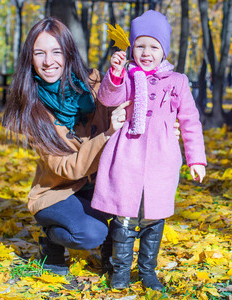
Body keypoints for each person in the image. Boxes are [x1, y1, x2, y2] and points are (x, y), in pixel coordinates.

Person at [1, 17, 180, 276]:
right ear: (30, 58)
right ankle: (52, 239)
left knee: (130, 208)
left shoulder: (96, 84)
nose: (48, 61)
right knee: (91, 233)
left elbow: (137, 108)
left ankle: (109, 245)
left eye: (56, 52)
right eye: (39, 53)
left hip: (99, 183)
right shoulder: (32, 110)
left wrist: (164, 128)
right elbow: (66, 167)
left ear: (68, 53)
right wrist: (106, 135)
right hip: (58, 191)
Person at [91, 10, 207, 291]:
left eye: (154, 46)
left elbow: (190, 120)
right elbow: (107, 98)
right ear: (131, 47)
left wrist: (196, 159)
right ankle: (119, 270)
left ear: (164, 50)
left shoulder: (178, 81)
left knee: (153, 216)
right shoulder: (129, 76)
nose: (146, 52)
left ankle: (147, 270)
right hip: (127, 155)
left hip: (161, 158)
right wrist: (115, 75)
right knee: (125, 214)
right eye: (140, 45)